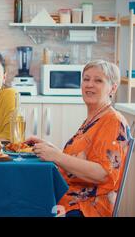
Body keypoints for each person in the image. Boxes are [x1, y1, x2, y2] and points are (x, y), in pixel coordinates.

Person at [26, 60, 130, 217]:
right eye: (86, 79)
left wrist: (57, 156)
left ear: (113, 88)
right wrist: (49, 148)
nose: (89, 84)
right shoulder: (93, 119)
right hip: (70, 197)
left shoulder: (113, 121)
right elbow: (78, 160)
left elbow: (103, 174)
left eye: (98, 80)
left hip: (89, 206)